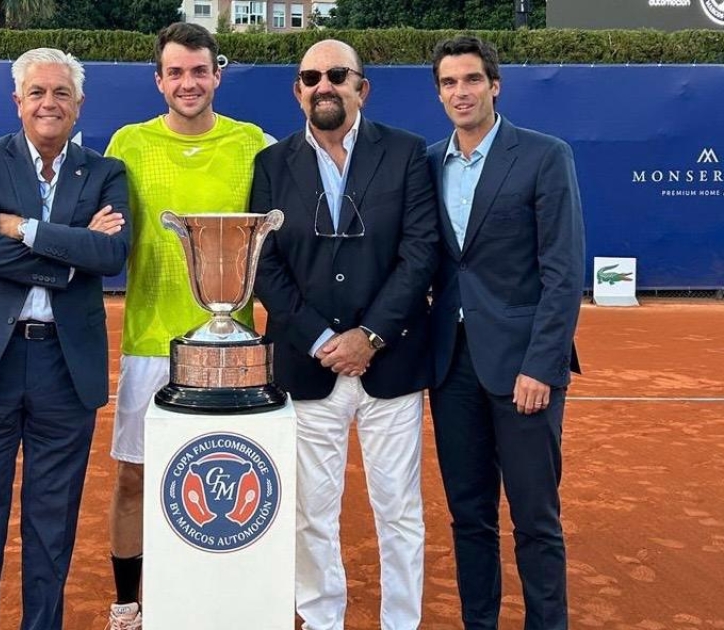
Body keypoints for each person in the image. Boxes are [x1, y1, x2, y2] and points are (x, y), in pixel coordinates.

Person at [0, 48, 130, 630]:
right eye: (37, 92)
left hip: (65, 369)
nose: (49, 103)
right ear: (18, 101)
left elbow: (111, 253)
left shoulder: (105, 171)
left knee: (52, 525)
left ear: (79, 104)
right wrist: (68, 256)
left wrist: (25, 228)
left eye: (61, 93)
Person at [250, 39, 439, 630]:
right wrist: (319, 339)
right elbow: (264, 263)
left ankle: (401, 622)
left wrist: (371, 336)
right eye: (310, 76)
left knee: (399, 510)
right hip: (309, 366)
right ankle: (323, 620)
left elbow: (421, 252)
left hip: (392, 362)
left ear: (362, 87)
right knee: (312, 512)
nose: (323, 85)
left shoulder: (407, 153)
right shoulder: (271, 164)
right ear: (298, 90)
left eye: (337, 74)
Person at [101, 22, 268, 630]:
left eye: (199, 71)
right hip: (151, 342)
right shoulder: (128, 143)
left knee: (231, 469)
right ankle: (128, 601)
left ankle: (226, 597)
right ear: (159, 80)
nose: (189, 83)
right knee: (135, 478)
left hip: (235, 344)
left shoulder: (254, 142)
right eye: (176, 72)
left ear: (217, 74)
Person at [426, 35, 585, 630]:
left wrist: (543, 365)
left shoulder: (545, 155)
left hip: (524, 368)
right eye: (448, 83)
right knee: (469, 517)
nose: (460, 92)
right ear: (439, 93)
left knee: (536, 519)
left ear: (495, 86)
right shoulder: (428, 161)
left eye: (471, 80)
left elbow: (564, 272)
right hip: (452, 366)